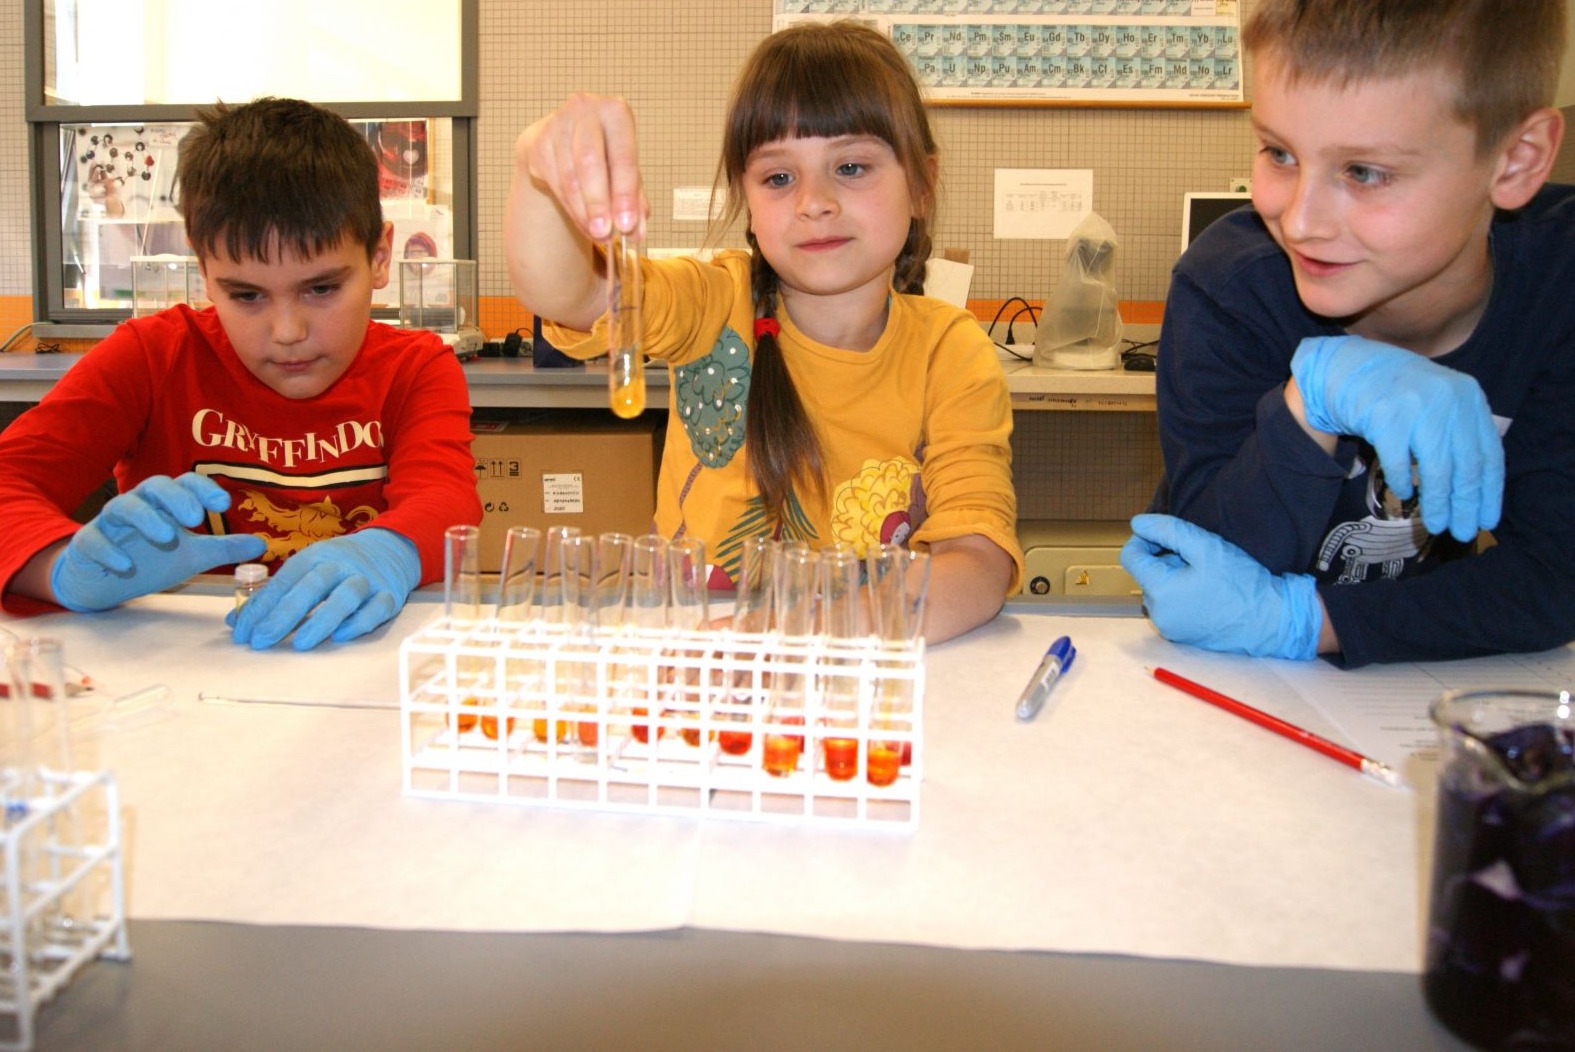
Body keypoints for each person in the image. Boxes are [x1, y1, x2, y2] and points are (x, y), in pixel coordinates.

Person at [504, 20, 1020, 643]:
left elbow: (978, 564)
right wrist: (537, 169)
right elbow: (568, 293)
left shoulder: (950, 348)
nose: (814, 201)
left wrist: (797, 636)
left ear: (921, 185)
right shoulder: (715, 305)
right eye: (779, 178)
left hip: (859, 675)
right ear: (749, 200)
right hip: (706, 656)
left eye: (851, 166)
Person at [1121, 0, 1575, 667]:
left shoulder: (1557, 284)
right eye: (1278, 153)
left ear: (1513, 161)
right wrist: (1305, 410)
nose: (1299, 220)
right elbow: (1207, 573)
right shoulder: (1229, 286)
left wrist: (1307, 622)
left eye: (1363, 172)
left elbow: (1553, 578)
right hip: (1228, 681)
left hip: (1405, 682)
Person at [0, 97, 481, 650]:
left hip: (359, 666)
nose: (287, 331)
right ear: (204, 270)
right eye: (246, 294)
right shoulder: (150, 356)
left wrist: (391, 549)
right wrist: (60, 568)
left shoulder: (416, 367)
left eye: (321, 288)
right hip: (184, 670)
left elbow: (446, 501)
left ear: (378, 256)